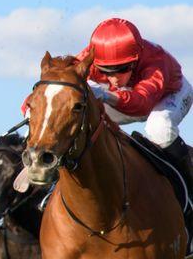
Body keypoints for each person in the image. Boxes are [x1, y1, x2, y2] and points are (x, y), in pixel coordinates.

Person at [79, 18, 193, 179]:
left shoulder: (156, 62)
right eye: (106, 70)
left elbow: (143, 104)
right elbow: (58, 82)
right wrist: (29, 109)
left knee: (159, 128)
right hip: (127, 95)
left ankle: (189, 180)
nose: (114, 78)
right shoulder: (90, 56)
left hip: (168, 94)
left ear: (136, 58)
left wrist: (105, 95)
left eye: (123, 69)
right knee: (77, 112)